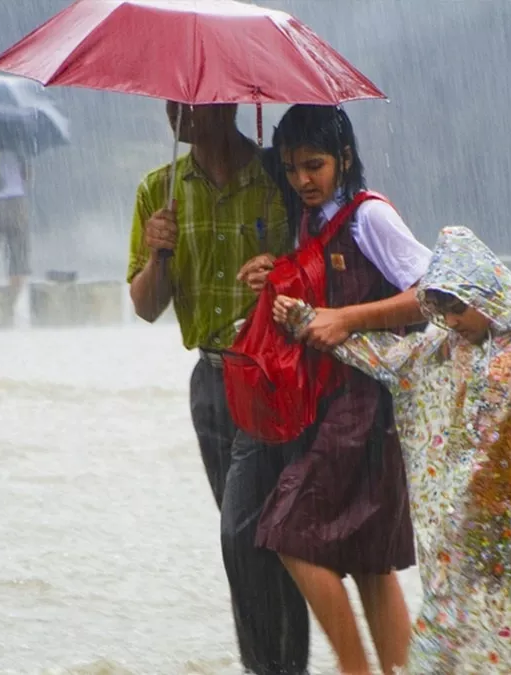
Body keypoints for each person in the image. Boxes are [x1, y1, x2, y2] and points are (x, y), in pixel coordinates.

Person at [275, 225, 511, 674]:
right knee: (444, 618)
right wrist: (306, 320)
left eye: (458, 306)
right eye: (441, 307)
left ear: (486, 292)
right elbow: (384, 356)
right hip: (470, 512)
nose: (452, 319)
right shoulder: (443, 348)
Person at [244, 104, 429, 675]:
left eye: (316, 164)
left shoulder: (369, 217)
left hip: (368, 404)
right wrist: (272, 272)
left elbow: (434, 294)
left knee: (289, 534)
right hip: (327, 402)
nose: (303, 179)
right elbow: (313, 288)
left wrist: (348, 319)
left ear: (345, 159)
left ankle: (356, 671)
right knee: (372, 562)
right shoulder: (312, 219)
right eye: (292, 166)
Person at [126, 101, 309, 675]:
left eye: (189, 101)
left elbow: (320, 268)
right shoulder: (160, 190)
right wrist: (159, 254)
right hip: (211, 382)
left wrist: (278, 273)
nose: (174, 112)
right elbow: (147, 307)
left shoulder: (280, 178)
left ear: (227, 102)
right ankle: (279, 666)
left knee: (247, 534)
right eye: (169, 101)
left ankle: (272, 668)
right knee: (255, 540)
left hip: (276, 375)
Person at [0, 147, 32, 324]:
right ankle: (8, 305)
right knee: (18, 259)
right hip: (17, 204)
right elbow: (27, 177)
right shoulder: (21, 147)